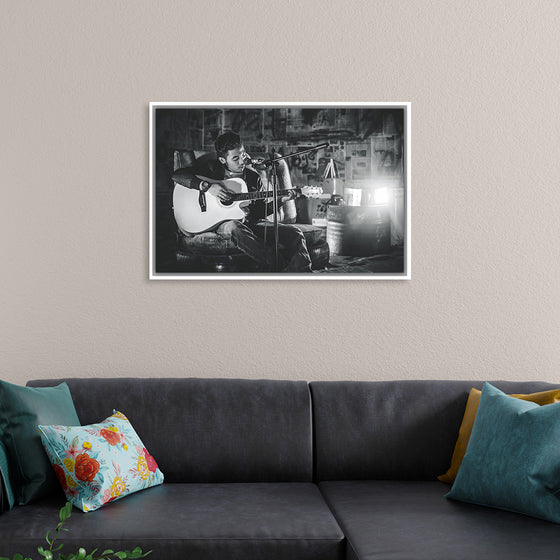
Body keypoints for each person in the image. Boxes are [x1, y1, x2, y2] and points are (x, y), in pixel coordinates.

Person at [172, 131, 313, 273]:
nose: (242, 161)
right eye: (235, 158)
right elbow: (177, 176)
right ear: (223, 160)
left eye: (243, 154)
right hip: (222, 223)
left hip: (250, 222)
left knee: (295, 233)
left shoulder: (253, 177)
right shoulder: (211, 169)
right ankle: (280, 269)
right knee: (235, 227)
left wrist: (281, 200)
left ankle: (304, 275)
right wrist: (207, 187)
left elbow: (260, 211)